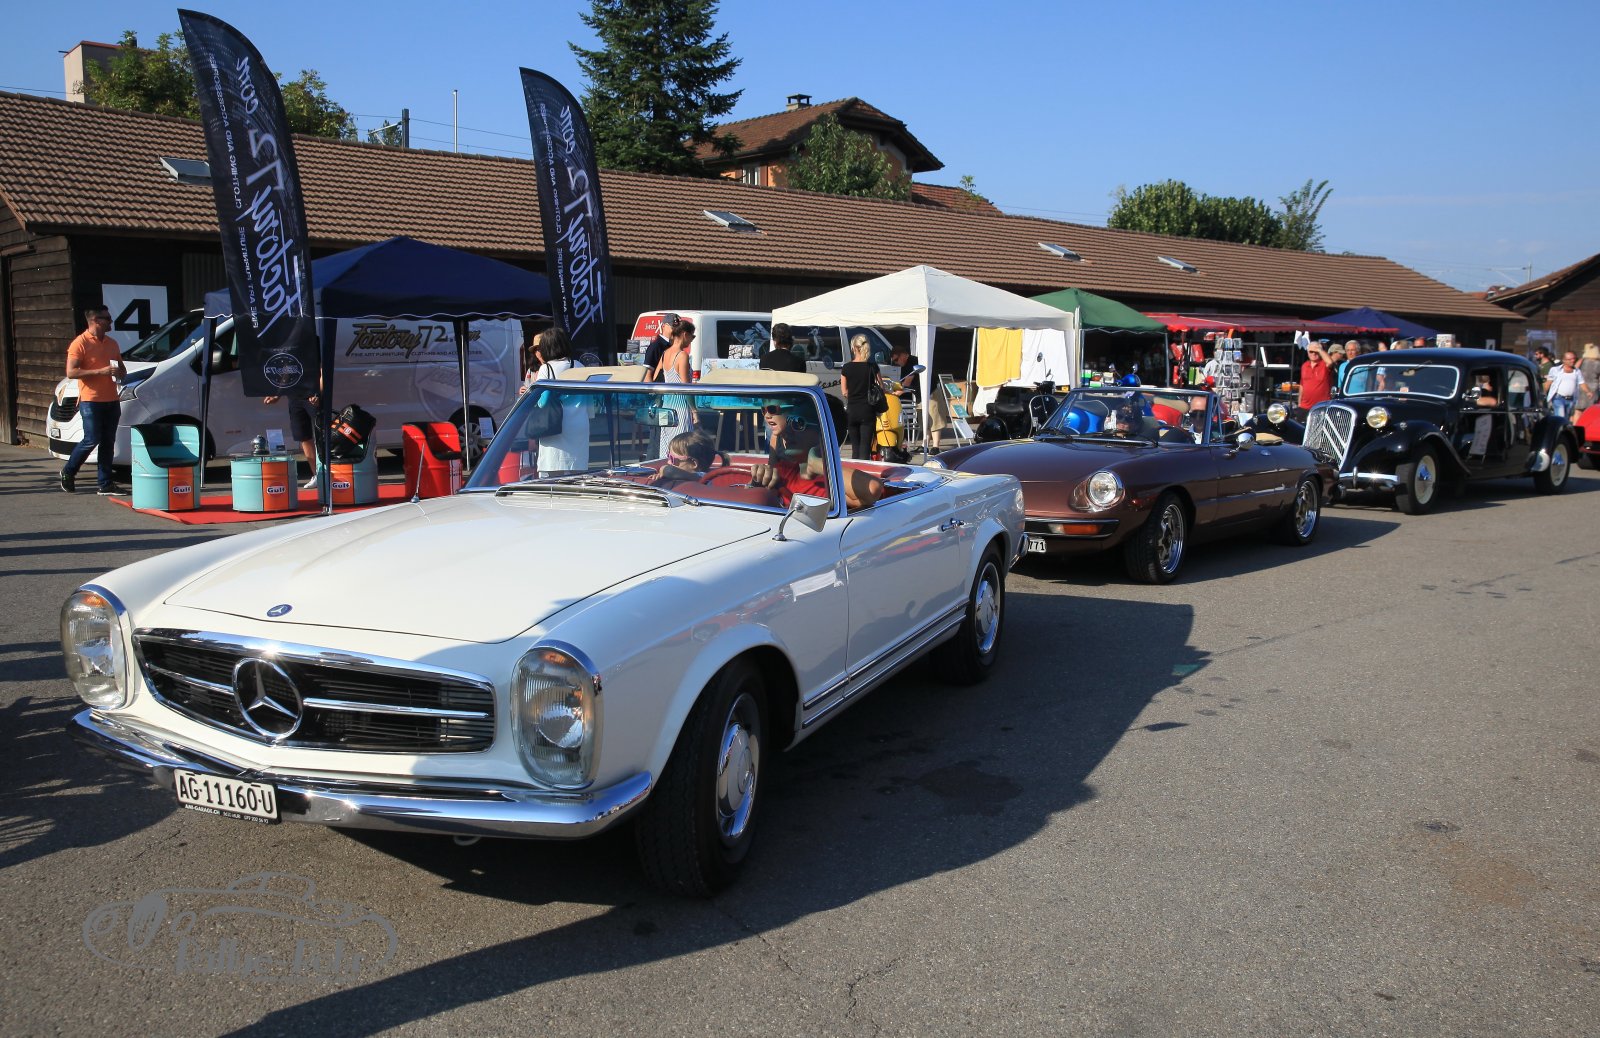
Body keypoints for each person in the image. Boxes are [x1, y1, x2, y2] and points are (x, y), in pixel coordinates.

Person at [749, 403, 882, 511]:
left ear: (823, 434)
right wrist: (756, 482)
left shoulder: (830, 485)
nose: (787, 430)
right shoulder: (784, 470)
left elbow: (872, 488)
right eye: (788, 422)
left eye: (797, 424)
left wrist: (818, 464)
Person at [60, 305, 126, 494]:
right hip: (91, 401)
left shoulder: (112, 343)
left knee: (108, 442)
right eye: (108, 319)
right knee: (92, 439)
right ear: (96, 321)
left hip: (112, 399)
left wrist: (120, 372)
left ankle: (105, 484)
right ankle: (68, 471)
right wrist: (100, 372)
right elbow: (71, 372)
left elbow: (121, 368)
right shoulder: (79, 343)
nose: (111, 322)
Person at [528, 327, 590, 476]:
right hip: (579, 426)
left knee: (553, 474)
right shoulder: (579, 366)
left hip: (553, 426)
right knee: (577, 473)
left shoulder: (546, 369)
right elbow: (589, 403)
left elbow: (542, 402)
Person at [260, 390, 324, 489]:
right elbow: (286, 379)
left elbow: (323, 379)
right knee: (304, 437)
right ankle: (317, 475)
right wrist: (277, 395)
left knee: (323, 432)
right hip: (294, 398)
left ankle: (330, 473)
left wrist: (319, 394)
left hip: (312, 395)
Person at [651, 320, 694, 455]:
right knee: (682, 448)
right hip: (680, 408)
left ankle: (666, 468)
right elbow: (686, 387)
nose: (691, 340)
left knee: (666, 448)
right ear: (685, 334)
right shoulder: (682, 355)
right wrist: (695, 411)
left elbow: (656, 377)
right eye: (692, 336)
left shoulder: (665, 353)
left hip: (666, 407)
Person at [839, 333, 883, 460]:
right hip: (868, 410)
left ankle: (855, 471)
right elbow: (881, 388)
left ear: (854, 348)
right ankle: (864, 469)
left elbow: (844, 392)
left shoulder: (846, 367)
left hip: (852, 410)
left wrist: (853, 394)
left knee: (855, 448)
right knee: (865, 447)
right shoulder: (872, 367)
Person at [648, 429, 719, 488]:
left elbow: (669, 470)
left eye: (672, 459)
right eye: (668, 456)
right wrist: (660, 477)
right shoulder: (683, 476)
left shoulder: (703, 477)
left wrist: (663, 469)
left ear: (693, 463)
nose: (668, 462)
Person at [642, 313, 680, 383]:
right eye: (673, 327)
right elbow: (647, 375)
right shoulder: (656, 346)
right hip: (659, 388)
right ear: (663, 326)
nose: (676, 331)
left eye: (678, 328)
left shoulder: (674, 345)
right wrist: (652, 390)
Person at [1545, 351, 1583, 419]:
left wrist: (1588, 392)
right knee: (1560, 417)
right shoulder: (1555, 370)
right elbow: (1548, 383)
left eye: (1574, 359)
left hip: (1571, 399)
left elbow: (1582, 383)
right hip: (1558, 398)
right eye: (1570, 359)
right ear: (1564, 360)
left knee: (1566, 419)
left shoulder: (1577, 371)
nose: (1573, 361)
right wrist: (1543, 394)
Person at [1298, 341, 1333, 413]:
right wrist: (1299, 402)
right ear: (1308, 352)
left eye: (1316, 352)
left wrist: (1319, 350)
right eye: (1311, 351)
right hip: (1304, 406)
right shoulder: (1304, 365)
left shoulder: (1324, 364)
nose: (1314, 353)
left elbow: (1330, 362)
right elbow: (1302, 384)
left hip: (1322, 406)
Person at [1579, 343, 1600, 416]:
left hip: (1581, 386)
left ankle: (1576, 423)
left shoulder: (1581, 362)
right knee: (1590, 410)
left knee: (1578, 410)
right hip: (1593, 388)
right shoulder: (1598, 364)